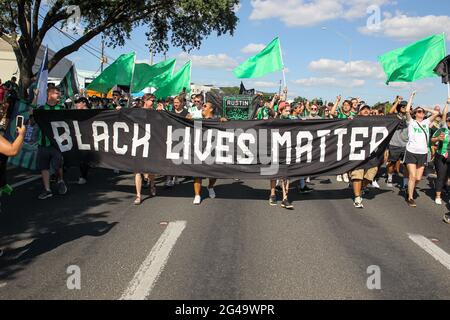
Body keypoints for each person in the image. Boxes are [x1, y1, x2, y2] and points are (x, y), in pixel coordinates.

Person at [404, 91, 439, 207]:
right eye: (419, 111)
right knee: (412, 176)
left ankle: (410, 187)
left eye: (422, 112)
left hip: (423, 153)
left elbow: (436, 113)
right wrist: (411, 97)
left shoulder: (426, 122)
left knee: (418, 177)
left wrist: (425, 108)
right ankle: (410, 197)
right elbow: (407, 111)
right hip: (411, 152)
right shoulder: (411, 122)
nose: (421, 113)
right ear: (415, 114)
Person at [33, 86, 68, 200]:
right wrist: (35, 96)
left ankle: (60, 180)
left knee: (58, 165)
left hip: (57, 144)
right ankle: (47, 190)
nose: (59, 95)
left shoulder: (61, 108)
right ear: (50, 94)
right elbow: (31, 118)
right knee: (44, 167)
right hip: (43, 143)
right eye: (57, 93)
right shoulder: (42, 108)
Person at [189, 102, 226, 205]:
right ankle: (197, 195)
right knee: (197, 173)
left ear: (211, 109)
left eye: (205, 106)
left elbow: (227, 127)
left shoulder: (217, 120)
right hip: (199, 149)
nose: (202, 107)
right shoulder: (196, 119)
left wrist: (225, 122)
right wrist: (186, 119)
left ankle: (210, 186)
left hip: (213, 150)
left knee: (214, 172)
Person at [349, 104, 378, 209]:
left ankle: (359, 188)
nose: (366, 111)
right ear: (359, 111)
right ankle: (357, 198)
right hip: (357, 152)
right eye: (363, 109)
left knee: (370, 175)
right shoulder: (353, 120)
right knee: (357, 175)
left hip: (371, 154)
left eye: (367, 109)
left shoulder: (375, 121)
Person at [134, 94, 157, 205]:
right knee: (137, 171)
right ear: (145, 100)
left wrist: (162, 112)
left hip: (151, 143)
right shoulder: (137, 111)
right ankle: (138, 195)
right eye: (151, 100)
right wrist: (119, 110)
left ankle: (152, 185)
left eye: (154, 100)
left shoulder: (155, 112)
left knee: (150, 169)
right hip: (138, 142)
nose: (153, 102)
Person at [387, 96, 409, 189]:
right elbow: (390, 112)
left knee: (406, 165)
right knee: (392, 163)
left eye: (406, 106)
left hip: (406, 145)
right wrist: (397, 101)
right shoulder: (395, 116)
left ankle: (405, 184)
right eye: (402, 106)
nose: (404, 108)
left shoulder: (410, 117)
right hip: (394, 144)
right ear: (399, 108)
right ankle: (390, 178)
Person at [431, 98, 450, 205]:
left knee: (447, 177)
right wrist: (447, 103)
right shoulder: (443, 128)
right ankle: (438, 196)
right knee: (441, 176)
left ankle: (445, 189)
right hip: (441, 156)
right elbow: (432, 140)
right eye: (449, 121)